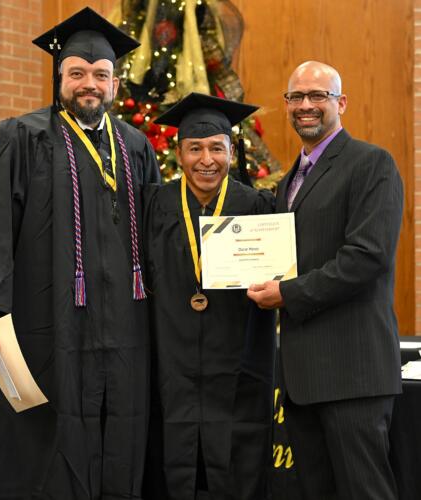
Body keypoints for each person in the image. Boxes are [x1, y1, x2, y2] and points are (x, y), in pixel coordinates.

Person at [0, 7, 160, 499]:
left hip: (124, 328)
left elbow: (159, 236)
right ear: (60, 78)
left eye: (100, 74)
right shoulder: (21, 137)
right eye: (77, 73)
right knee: (45, 443)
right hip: (47, 324)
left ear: (115, 83)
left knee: (119, 431)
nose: (88, 84)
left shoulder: (136, 147)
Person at [247, 60, 403, 500]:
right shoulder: (290, 181)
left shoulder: (371, 164)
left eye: (318, 96)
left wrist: (286, 293)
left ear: (341, 102)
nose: (306, 105)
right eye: (296, 97)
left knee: (363, 491)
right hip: (304, 376)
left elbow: (366, 257)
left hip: (352, 371)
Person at [142, 92, 276, 500]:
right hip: (172, 359)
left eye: (216, 148)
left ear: (231, 152)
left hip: (236, 359)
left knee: (237, 462)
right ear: (178, 153)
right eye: (195, 149)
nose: (206, 160)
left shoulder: (257, 207)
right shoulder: (155, 205)